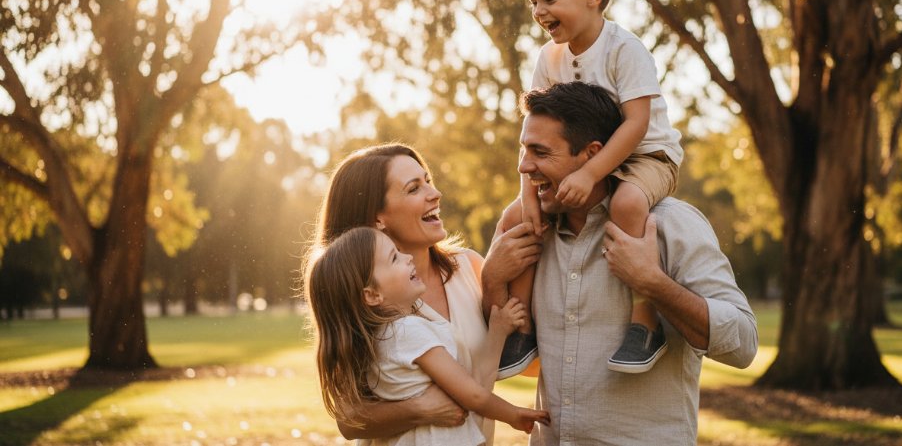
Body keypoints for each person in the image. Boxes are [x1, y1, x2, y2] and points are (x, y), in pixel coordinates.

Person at [483, 82, 758, 445]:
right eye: (524, 150)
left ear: (592, 155)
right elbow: (496, 354)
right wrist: (491, 279)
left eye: (540, 152)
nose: (524, 165)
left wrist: (652, 285)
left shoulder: (671, 225)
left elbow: (743, 345)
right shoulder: (530, 235)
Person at [497, 0, 685, 376]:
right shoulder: (550, 58)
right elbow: (536, 130)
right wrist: (528, 192)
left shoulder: (625, 49)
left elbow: (636, 124)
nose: (539, 12)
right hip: (583, 162)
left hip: (647, 156)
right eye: (532, 2)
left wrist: (590, 174)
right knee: (518, 219)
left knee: (627, 202)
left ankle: (645, 322)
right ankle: (522, 329)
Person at [311, 144, 502, 443]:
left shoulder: (471, 268)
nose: (434, 193)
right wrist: (417, 409)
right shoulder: (365, 301)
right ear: (378, 218)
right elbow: (348, 420)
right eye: (414, 189)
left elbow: (524, 358)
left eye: (428, 180)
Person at [303, 227, 550, 446]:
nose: (407, 257)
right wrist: (513, 415)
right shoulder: (410, 332)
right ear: (372, 295)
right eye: (394, 258)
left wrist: (497, 331)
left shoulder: (375, 340)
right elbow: (472, 393)